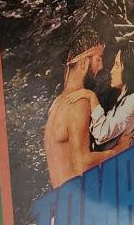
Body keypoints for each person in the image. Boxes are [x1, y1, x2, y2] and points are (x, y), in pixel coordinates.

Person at [44, 28, 112, 188]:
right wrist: (119, 150)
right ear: (83, 63)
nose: (101, 66)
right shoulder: (79, 103)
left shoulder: (56, 105)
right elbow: (83, 164)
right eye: (98, 59)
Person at [65, 42, 134, 151]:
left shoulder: (132, 99)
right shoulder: (124, 97)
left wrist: (91, 96)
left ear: (128, 69)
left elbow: (101, 134)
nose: (112, 71)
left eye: (117, 65)